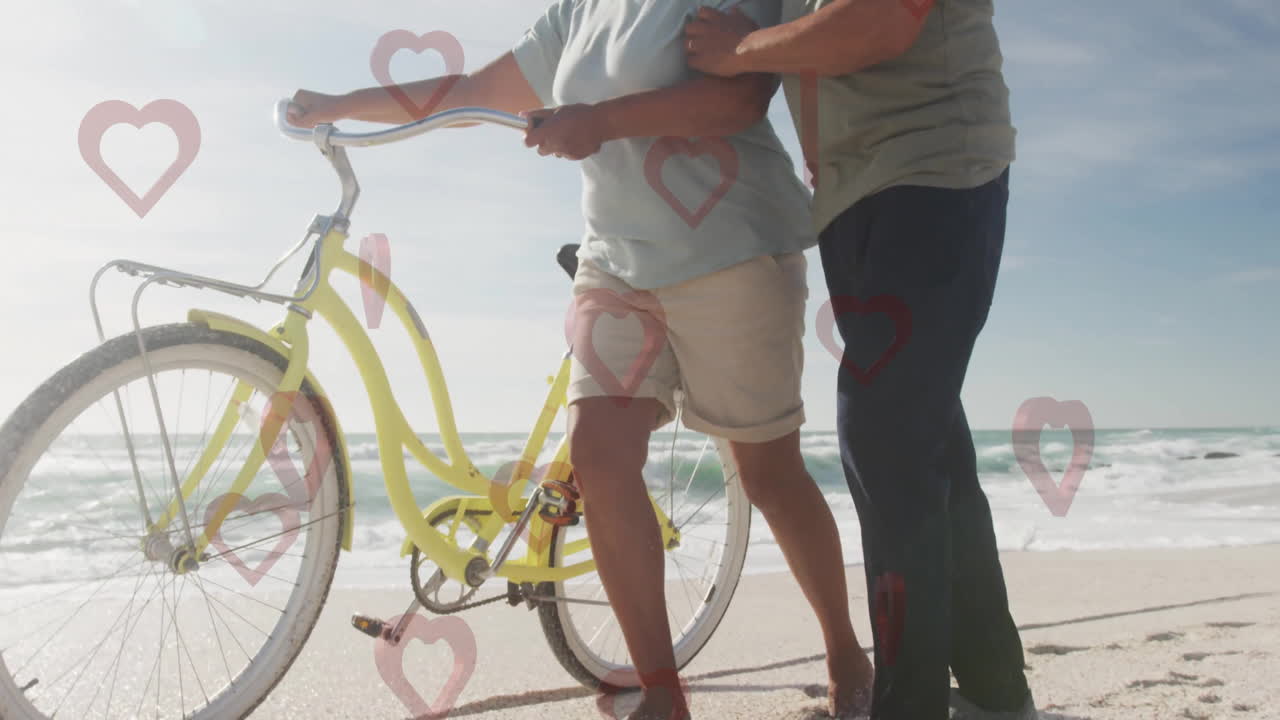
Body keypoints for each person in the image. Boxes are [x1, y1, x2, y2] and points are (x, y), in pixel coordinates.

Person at [289, 2, 874, 718]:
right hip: (615, 261)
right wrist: (339, 104)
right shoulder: (579, 12)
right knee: (597, 455)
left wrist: (599, 121)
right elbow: (471, 91)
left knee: (768, 475)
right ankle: (662, 694)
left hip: (730, 248)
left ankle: (845, 652)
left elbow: (739, 98)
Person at [684, 1, 1035, 719]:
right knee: (924, 438)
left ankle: (911, 706)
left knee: (882, 434)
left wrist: (743, 48)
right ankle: (996, 691)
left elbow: (882, 21)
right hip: (850, 199)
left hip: (935, 169)